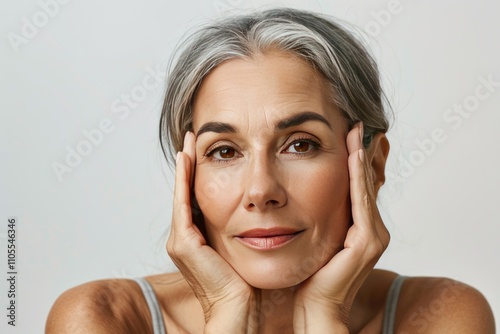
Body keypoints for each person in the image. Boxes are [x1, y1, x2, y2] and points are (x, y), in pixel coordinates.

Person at [46, 7, 495, 333]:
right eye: (223, 152)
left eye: (300, 144)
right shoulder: (101, 319)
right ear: (189, 177)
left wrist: (326, 315)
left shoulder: (444, 316)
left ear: (372, 166)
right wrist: (224, 312)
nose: (261, 190)